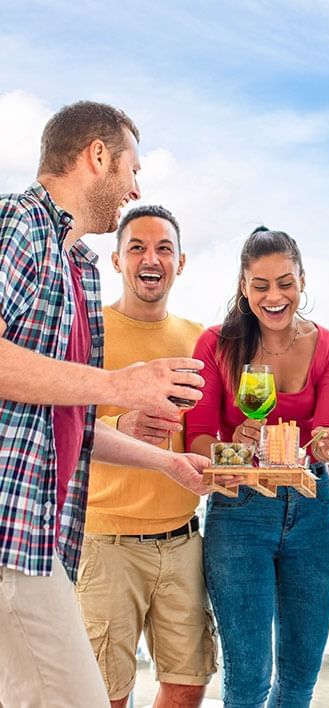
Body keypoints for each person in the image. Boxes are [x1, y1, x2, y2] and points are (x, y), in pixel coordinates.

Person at [0, 101, 208, 708]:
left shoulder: (76, 265)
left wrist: (166, 464)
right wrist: (123, 386)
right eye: (131, 169)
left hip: (42, 537)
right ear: (97, 157)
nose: (134, 188)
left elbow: (66, 422)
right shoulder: (21, 225)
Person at [187, 227, 329, 708]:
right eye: (260, 286)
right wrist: (232, 446)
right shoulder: (215, 343)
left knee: (300, 676)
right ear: (244, 287)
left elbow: (323, 433)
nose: (274, 297)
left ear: (302, 280)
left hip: (311, 512)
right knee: (248, 678)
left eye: (285, 283)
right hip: (238, 513)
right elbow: (197, 436)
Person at [76, 205, 216, 708]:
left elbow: (211, 430)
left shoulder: (202, 339)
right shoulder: (87, 330)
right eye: (136, 247)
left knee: (187, 684)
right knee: (106, 693)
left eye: (163, 248)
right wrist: (122, 426)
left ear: (181, 262)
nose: (150, 258)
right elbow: (59, 425)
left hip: (183, 543)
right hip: (105, 541)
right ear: (116, 260)